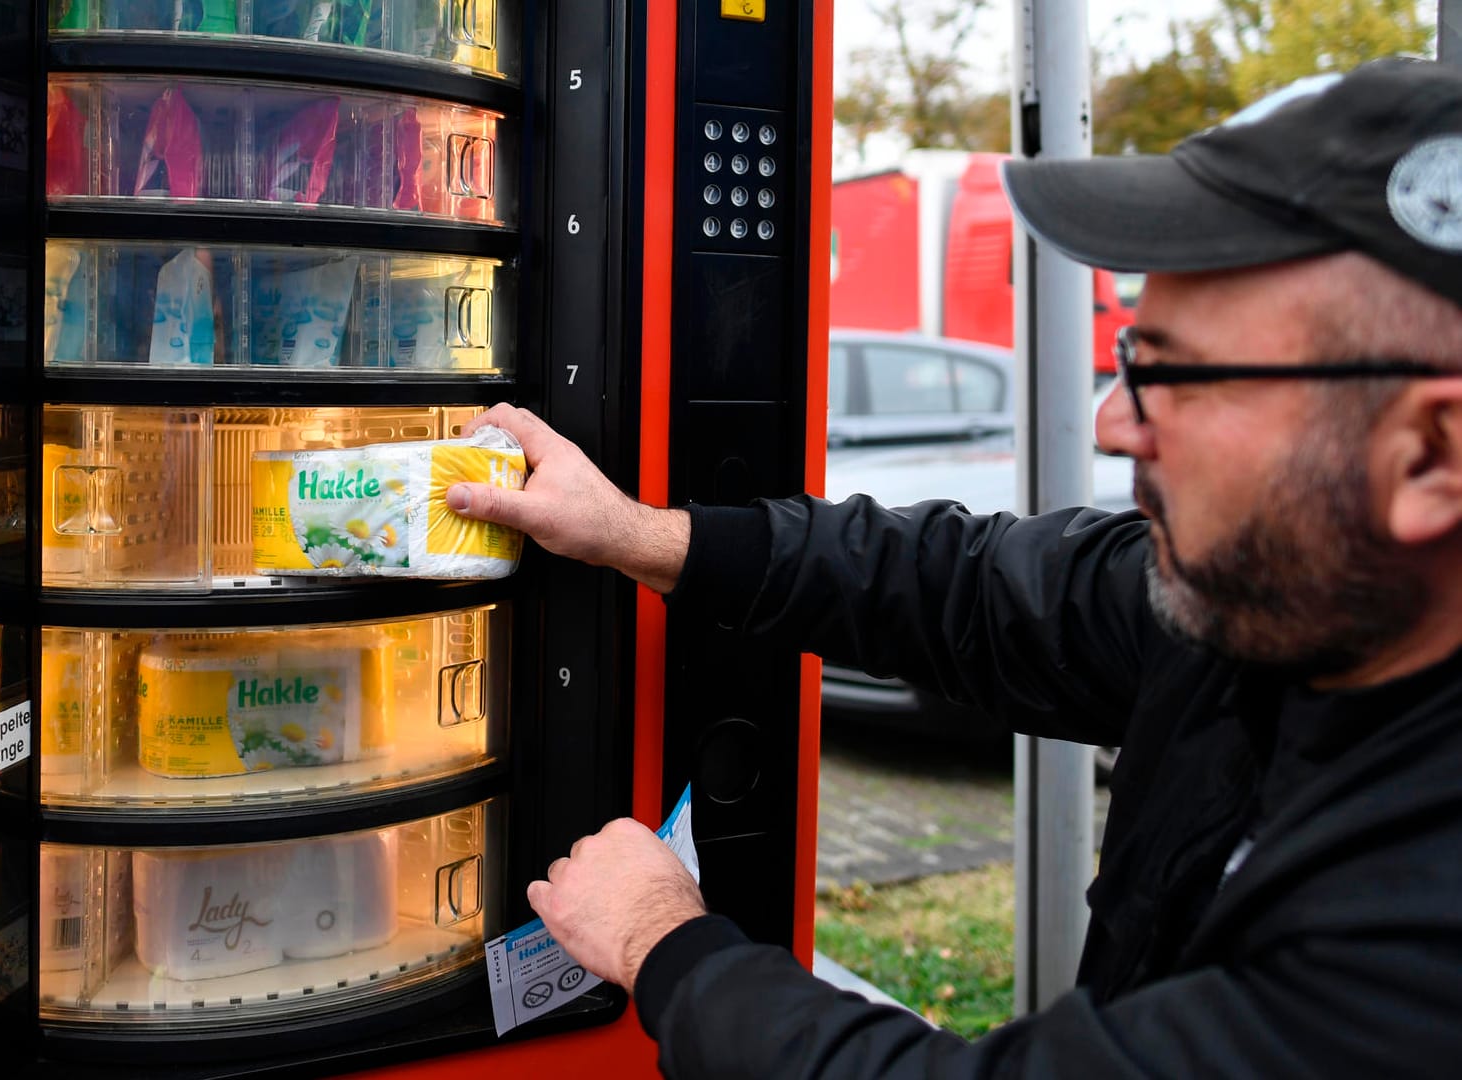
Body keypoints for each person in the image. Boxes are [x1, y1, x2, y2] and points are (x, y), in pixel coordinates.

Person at [449, 57, 1462, 1076]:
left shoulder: (1420, 935)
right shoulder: (1276, 610)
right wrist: (636, 532)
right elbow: (960, 587)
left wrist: (666, 943)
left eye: (1172, 377)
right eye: (1125, 362)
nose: (1114, 426)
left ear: (1431, 454)